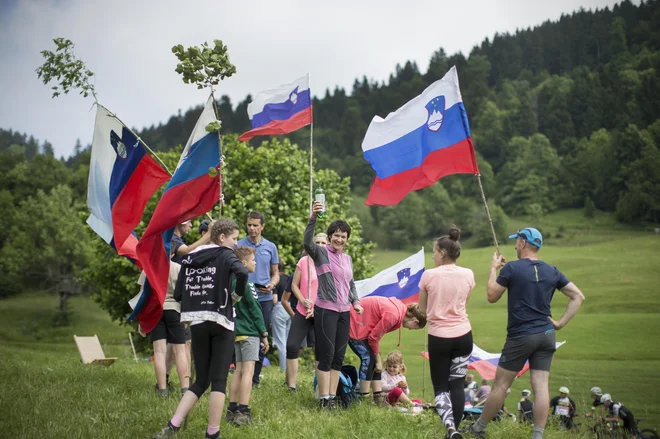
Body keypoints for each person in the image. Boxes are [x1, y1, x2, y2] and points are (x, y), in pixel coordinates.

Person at [470, 227, 585, 439]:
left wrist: (494, 268)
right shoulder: (552, 270)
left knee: (501, 384)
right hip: (547, 334)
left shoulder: (512, 268)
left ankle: (478, 428)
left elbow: (491, 296)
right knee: (541, 386)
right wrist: (559, 323)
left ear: (523, 243)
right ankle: (538, 435)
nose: (514, 245)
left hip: (521, 335)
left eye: (516, 241)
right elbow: (578, 296)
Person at [152, 219, 248, 439]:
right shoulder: (227, 254)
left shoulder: (191, 257)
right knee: (218, 380)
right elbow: (242, 273)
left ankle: (173, 425)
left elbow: (178, 294)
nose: (235, 243)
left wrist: (191, 298)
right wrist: (237, 296)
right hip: (222, 322)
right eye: (234, 238)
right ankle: (212, 433)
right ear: (222, 237)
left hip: (197, 323)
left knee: (200, 380)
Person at [304, 200, 363, 409]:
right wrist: (313, 217)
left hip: (344, 312)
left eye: (343, 236)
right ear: (330, 237)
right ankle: (324, 399)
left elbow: (351, 283)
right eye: (336, 235)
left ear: (347, 240)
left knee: (339, 356)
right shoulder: (321, 253)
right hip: (325, 310)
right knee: (326, 355)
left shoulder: (347, 258)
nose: (339, 239)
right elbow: (307, 242)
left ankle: (333, 398)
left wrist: (355, 301)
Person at [418, 226, 475, 439]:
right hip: (463, 336)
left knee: (441, 387)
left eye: (434, 252)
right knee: (457, 384)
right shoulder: (468, 274)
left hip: (439, 338)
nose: (432, 256)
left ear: (442, 253)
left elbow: (423, 312)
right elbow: (462, 303)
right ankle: (456, 430)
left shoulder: (428, 276)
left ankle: (450, 429)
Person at [348, 296, 425, 405]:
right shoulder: (393, 315)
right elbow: (373, 338)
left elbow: (374, 338)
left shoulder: (400, 309)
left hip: (362, 325)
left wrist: (377, 358)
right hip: (353, 323)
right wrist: (378, 360)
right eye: (414, 328)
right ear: (415, 320)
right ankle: (363, 397)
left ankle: (378, 396)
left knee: (373, 357)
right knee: (368, 358)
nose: (410, 329)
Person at [138, 246, 189, 398]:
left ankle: (162, 390)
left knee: (159, 352)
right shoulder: (179, 269)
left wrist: (141, 320)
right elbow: (185, 294)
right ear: (173, 253)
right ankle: (185, 389)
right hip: (175, 310)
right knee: (180, 351)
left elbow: (142, 297)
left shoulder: (148, 269)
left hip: (155, 311)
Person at [226, 247, 270, 426]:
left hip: (236, 331)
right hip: (250, 333)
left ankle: (232, 408)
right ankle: (243, 411)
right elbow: (255, 310)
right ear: (243, 263)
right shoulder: (248, 284)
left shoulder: (231, 282)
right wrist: (264, 334)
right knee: (248, 372)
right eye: (253, 260)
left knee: (238, 370)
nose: (255, 263)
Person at [237, 211, 280, 387]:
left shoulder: (270, 247)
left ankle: (255, 378)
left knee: (263, 336)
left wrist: (272, 285)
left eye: (255, 225)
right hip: (243, 298)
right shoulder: (239, 246)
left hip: (264, 297)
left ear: (262, 226)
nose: (252, 228)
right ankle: (241, 373)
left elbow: (276, 273)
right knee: (245, 335)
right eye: (249, 225)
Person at [284, 233, 328, 391]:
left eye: (324, 242)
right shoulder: (304, 261)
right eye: (318, 242)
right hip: (303, 311)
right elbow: (294, 285)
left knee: (320, 350)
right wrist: (302, 300)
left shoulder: (329, 264)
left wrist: (317, 307)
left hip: (321, 312)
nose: (321, 245)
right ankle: (291, 386)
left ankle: (319, 386)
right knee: (292, 346)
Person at [271, 261, 291, 373]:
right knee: (287, 340)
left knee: (280, 341)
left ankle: (284, 368)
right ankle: (290, 367)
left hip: (279, 307)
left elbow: (274, 299)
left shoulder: (275, 280)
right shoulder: (288, 277)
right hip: (290, 308)